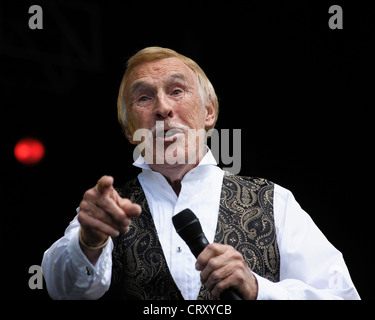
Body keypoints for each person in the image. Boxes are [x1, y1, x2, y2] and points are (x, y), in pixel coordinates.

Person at [41, 47, 360, 300]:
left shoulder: (273, 201)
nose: (162, 108)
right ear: (129, 129)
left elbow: (342, 296)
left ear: (209, 112)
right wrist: (89, 241)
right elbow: (62, 290)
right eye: (144, 97)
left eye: (177, 91)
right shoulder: (105, 212)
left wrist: (259, 290)